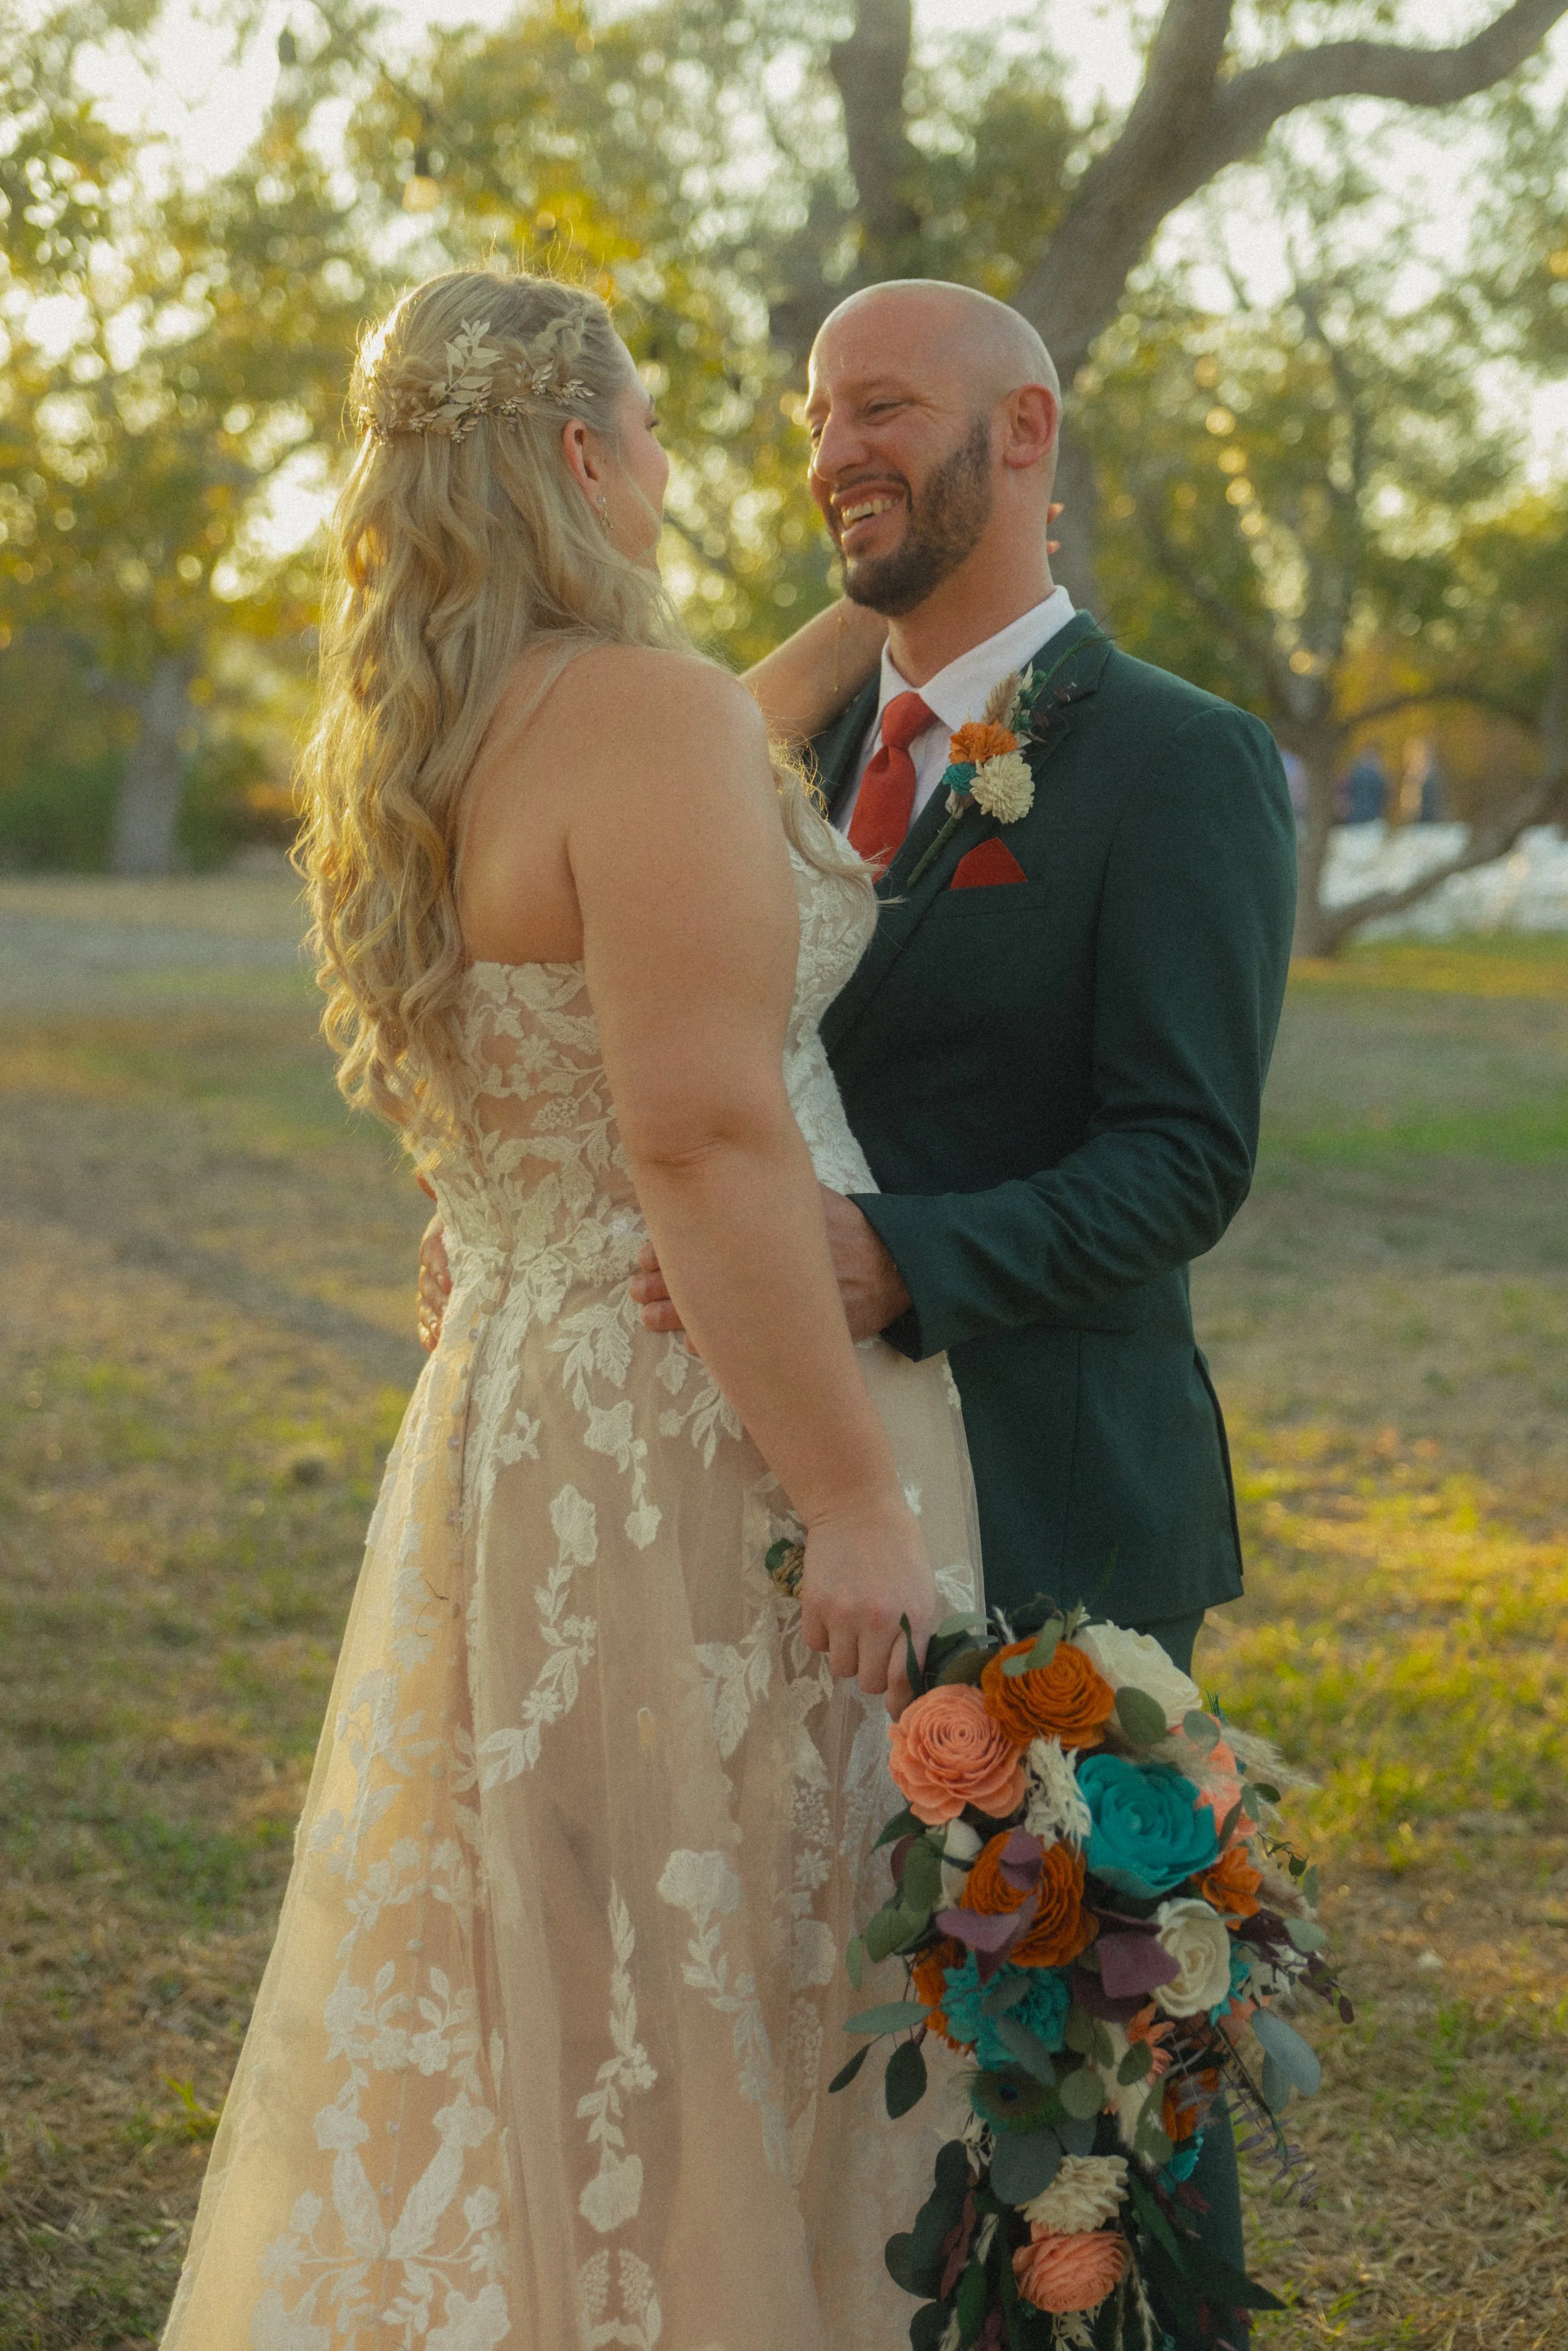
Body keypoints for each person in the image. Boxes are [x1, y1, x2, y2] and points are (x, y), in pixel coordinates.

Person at [427, 278, 1297, 2339]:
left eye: (885, 406)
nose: (830, 450)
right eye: (815, 410)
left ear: (1027, 435)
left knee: (1085, 2097)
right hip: (774, 1543)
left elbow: (1185, 1156)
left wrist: (898, 1248)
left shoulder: (1178, 760)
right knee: (843, 2071)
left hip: (1050, 1494)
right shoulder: (760, 731)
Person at [159, 268, 982, 2351]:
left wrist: (886, 625)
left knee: (555, 1971)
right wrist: (855, 1492)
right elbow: (704, 1137)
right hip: (677, 1418)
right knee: (709, 1983)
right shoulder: (645, 717)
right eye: (657, 426)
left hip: (501, 1402)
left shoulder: (427, 723)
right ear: (585, 455)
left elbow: (697, 755)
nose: (693, 469)